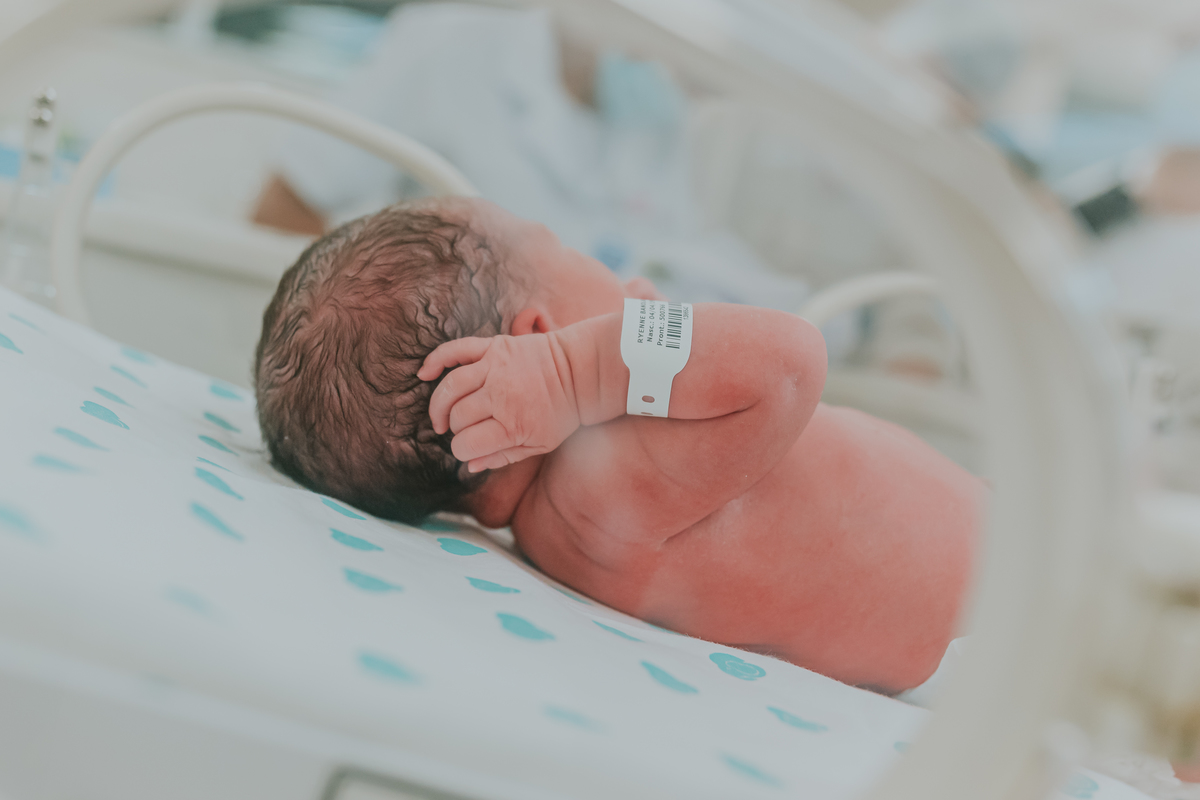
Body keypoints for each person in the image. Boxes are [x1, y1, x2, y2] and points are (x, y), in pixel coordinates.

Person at [254, 196, 982, 694]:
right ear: (537, 347)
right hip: (996, 614)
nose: (618, 278)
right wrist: (585, 370)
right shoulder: (594, 491)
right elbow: (791, 361)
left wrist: (618, 361)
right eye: (564, 249)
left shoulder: (582, 509)